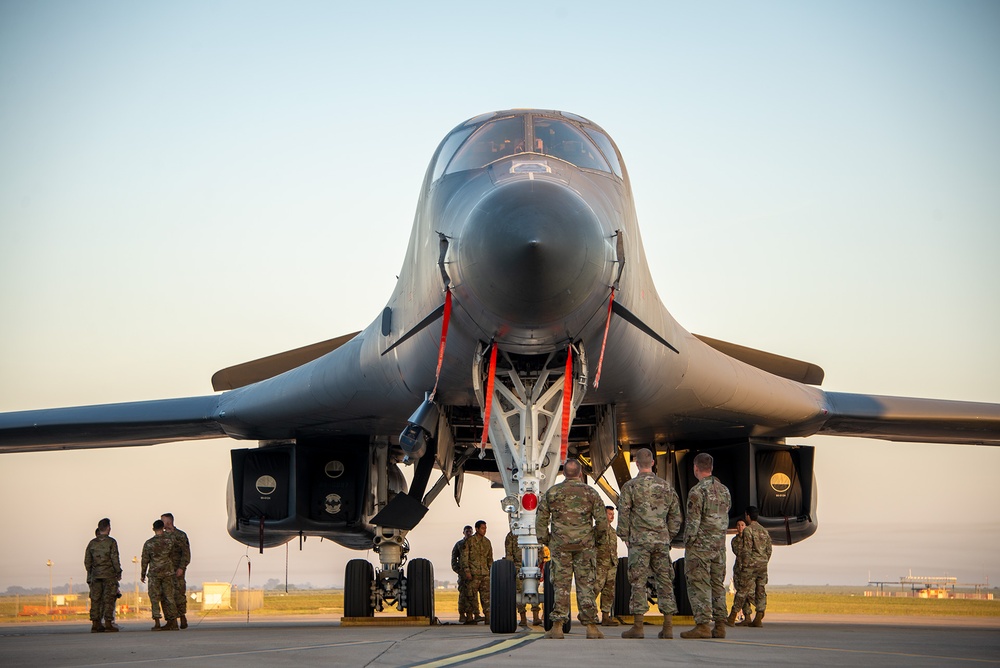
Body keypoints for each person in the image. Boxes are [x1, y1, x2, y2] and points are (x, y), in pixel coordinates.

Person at [535, 458, 610, 640]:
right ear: (580, 473)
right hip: (585, 546)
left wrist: (548, 540)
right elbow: (602, 523)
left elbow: (541, 521)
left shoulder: (553, 493)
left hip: (560, 546)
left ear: (564, 472)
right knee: (586, 585)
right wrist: (596, 541)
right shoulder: (591, 493)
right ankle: (591, 627)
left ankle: (558, 627)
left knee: (561, 586)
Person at [617, 448, 683, 639]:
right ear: (653, 463)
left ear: (636, 464)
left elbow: (624, 514)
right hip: (660, 541)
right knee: (665, 581)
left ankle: (638, 627)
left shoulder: (630, 487)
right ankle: (668, 626)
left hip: (639, 542)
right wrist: (666, 536)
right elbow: (676, 517)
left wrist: (626, 537)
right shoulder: (666, 487)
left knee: (638, 582)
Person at [681, 452, 731, 639]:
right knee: (718, 585)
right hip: (719, 546)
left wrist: (688, 542)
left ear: (696, 468)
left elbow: (693, 522)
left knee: (699, 584)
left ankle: (702, 625)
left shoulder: (697, 491)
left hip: (700, 547)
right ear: (711, 468)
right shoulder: (724, 490)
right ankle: (719, 625)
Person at [733, 505, 772, 627]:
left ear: (747, 516)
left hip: (749, 566)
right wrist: (764, 560)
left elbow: (747, 550)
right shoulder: (764, 531)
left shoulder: (748, 531)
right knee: (760, 590)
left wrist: (746, 565)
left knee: (743, 590)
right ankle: (757, 616)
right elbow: (769, 550)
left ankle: (732, 616)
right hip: (762, 565)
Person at [84, 518, 122, 633]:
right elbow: (114, 558)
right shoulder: (111, 542)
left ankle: (95, 624)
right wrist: (118, 571)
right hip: (109, 575)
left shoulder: (92, 543)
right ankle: (108, 623)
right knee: (108, 599)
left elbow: (87, 561)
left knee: (95, 599)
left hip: (96, 575)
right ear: (108, 528)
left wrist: (91, 573)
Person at [141, 519, 179, 631]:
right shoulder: (170, 540)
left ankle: (157, 622)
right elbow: (174, 554)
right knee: (169, 597)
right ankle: (173, 622)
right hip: (168, 572)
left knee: (154, 597)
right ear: (163, 527)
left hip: (154, 574)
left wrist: (143, 574)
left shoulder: (148, 543)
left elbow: (145, 560)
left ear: (153, 529)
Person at [504, 530, 541, 627]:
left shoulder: (534, 532)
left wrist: (538, 562)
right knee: (519, 592)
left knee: (535, 590)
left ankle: (536, 616)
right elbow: (509, 553)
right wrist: (512, 568)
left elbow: (540, 549)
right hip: (517, 567)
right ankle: (523, 617)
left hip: (533, 565)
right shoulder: (512, 535)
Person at [161, 512, 191, 629]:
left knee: (179, 594)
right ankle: (171, 620)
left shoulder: (181, 535)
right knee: (166, 595)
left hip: (177, 569)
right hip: (164, 571)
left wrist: (182, 568)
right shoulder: (161, 537)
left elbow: (186, 553)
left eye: (163, 521)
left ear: (168, 522)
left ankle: (182, 617)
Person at [459, 520, 492, 625]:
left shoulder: (487, 542)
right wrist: (467, 571)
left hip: (485, 574)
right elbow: (464, 558)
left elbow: (490, 559)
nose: (484, 530)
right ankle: (470, 617)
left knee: (486, 597)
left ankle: (488, 617)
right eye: (482, 528)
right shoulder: (469, 541)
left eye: (485, 528)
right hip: (473, 574)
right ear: (477, 529)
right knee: (471, 596)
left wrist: (491, 572)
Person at [595, 506, 619, 627]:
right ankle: (587, 613)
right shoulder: (597, 530)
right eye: (609, 514)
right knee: (595, 588)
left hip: (611, 564)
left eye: (612, 514)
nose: (612, 516)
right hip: (600, 564)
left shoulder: (613, 532)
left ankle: (605, 617)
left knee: (609, 592)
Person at [726, 519, 752, 626]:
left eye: (742, 525)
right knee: (741, 592)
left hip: (747, 569)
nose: (740, 527)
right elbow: (739, 552)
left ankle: (734, 615)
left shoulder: (750, 539)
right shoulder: (735, 541)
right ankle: (747, 616)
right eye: (738, 525)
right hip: (738, 569)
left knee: (745, 593)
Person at [452, 525, 476, 623]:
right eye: (467, 531)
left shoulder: (475, 544)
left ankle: (471, 615)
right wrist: (460, 571)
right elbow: (454, 559)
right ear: (463, 532)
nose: (469, 533)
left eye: (470, 531)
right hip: (463, 575)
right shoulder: (459, 544)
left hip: (474, 574)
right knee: (463, 595)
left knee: (472, 595)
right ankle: (462, 614)